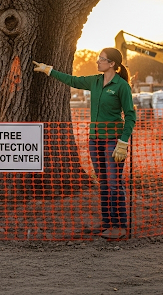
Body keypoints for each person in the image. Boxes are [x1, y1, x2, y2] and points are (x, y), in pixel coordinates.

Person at [33, 47, 136, 239]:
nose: (98, 61)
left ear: (112, 64)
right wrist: (49, 70)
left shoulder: (121, 86)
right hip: (95, 140)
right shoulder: (95, 81)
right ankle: (107, 224)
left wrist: (123, 141)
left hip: (113, 141)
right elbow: (73, 81)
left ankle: (121, 226)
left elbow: (130, 116)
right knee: (104, 184)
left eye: (101, 59)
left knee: (114, 184)